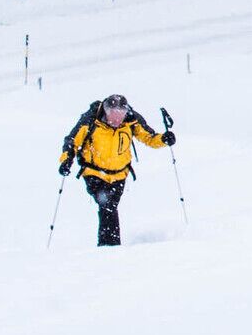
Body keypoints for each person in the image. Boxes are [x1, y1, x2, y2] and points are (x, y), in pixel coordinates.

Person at [58, 94, 171, 246]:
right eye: (113, 116)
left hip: (119, 175)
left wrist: (164, 139)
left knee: (110, 207)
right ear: (106, 111)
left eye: (121, 116)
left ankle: (108, 246)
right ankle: (110, 246)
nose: (117, 120)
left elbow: (149, 137)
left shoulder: (132, 120)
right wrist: (66, 160)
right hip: (94, 173)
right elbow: (72, 141)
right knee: (107, 206)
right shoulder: (91, 120)